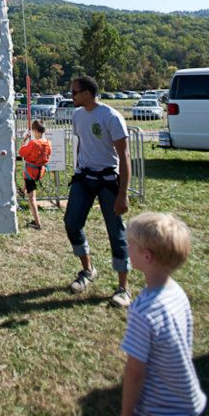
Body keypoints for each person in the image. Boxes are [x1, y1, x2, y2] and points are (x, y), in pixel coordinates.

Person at [120, 212, 206, 416]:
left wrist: (126, 412)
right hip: (187, 409)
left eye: (129, 244)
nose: (125, 246)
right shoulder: (177, 293)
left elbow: (135, 370)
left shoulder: (143, 311)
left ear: (146, 256)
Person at [64, 75, 132, 307]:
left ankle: (123, 288)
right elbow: (83, 142)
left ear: (87, 93)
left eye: (74, 92)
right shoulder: (77, 115)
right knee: (72, 223)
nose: (70, 96)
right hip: (84, 178)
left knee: (116, 231)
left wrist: (122, 194)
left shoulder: (111, 117)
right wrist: (79, 168)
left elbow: (124, 156)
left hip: (108, 180)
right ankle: (87, 270)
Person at [18, 120, 52, 229]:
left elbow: (22, 153)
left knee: (32, 198)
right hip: (39, 171)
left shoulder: (33, 143)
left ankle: (37, 223)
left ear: (35, 131)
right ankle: (22, 191)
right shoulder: (48, 142)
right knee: (27, 184)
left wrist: (24, 141)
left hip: (31, 173)